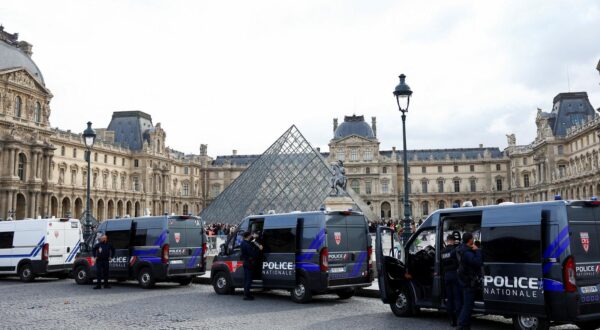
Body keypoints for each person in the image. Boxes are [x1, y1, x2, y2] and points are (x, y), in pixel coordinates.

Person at [457, 232, 482, 330]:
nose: (474, 240)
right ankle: (461, 324)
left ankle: (465, 325)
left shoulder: (461, 248)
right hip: (468, 282)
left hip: (464, 280)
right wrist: (478, 251)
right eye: (473, 238)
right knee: (468, 305)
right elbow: (478, 262)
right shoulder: (467, 252)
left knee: (467, 304)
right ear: (470, 240)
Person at [441, 234, 461, 327]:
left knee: (449, 298)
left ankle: (451, 320)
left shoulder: (442, 252)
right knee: (457, 297)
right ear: (453, 241)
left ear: (447, 240)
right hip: (455, 275)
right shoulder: (455, 250)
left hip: (446, 276)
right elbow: (459, 262)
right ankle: (458, 319)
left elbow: (442, 264)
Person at [240, 231, 262, 300]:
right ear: (248, 236)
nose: (251, 236)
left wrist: (255, 239)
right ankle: (246, 295)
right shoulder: (247, 244)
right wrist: (259, 249)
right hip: (249, 263)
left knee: (246, 279)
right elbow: (254, 254)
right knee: (248, 280)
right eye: (251, 235)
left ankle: (246, 293)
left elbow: (252, 243)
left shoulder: (243, 243)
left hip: (246, 263)